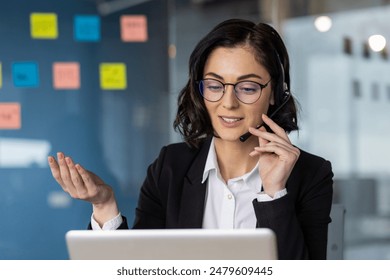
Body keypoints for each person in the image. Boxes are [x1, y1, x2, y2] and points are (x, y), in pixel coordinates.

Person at [48, 18, 333, 260]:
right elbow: (138, 268)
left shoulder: (311, 174)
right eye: (214, 85)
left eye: (247, 88)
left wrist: (274, 194)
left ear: (274, 93)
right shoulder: (170, 167)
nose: (228, 103)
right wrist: (104, 204)